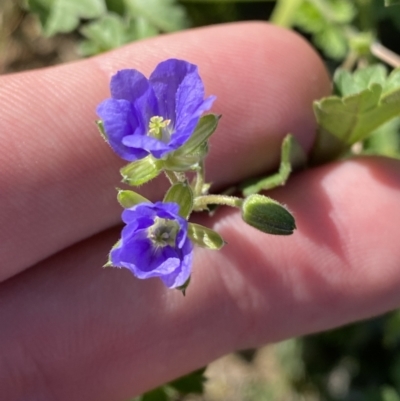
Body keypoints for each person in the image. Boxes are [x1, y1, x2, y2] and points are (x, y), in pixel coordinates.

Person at [1, 22, 399, 401]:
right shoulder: (161, 209)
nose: (158, 126)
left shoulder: (176, 151)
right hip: (169, 185)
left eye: (160, 125)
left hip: (178, 170)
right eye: (155, 127)